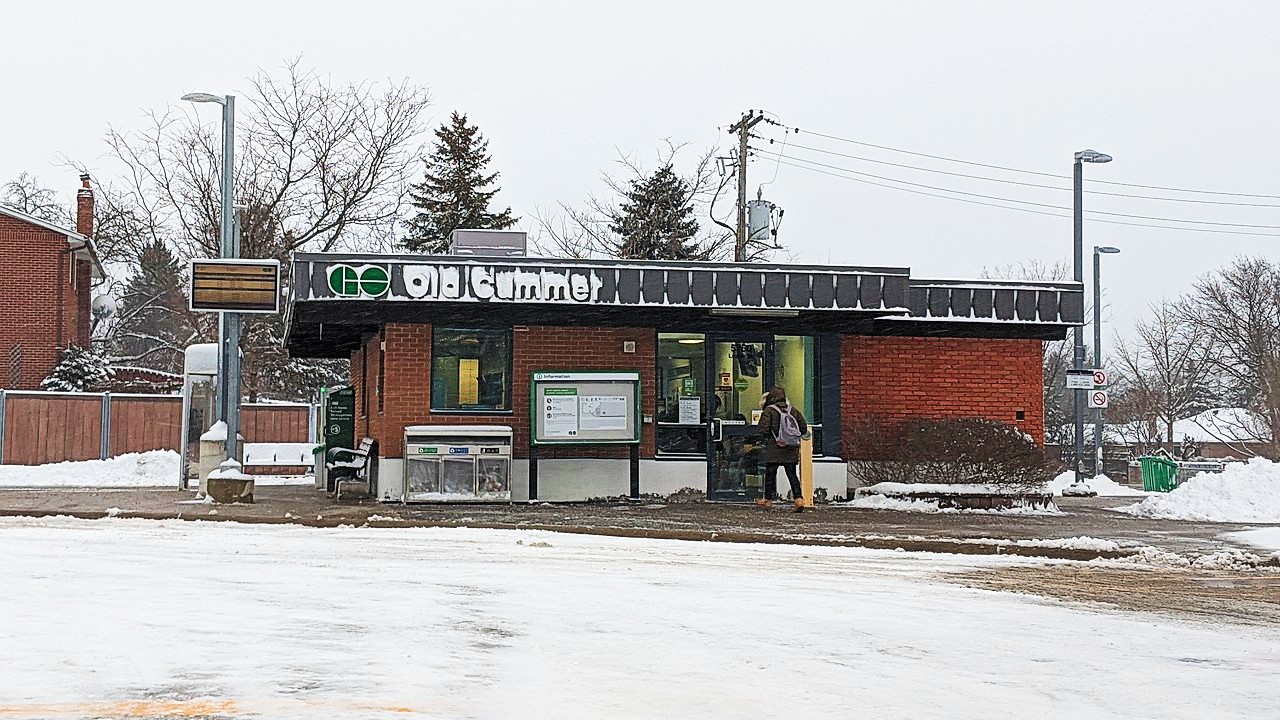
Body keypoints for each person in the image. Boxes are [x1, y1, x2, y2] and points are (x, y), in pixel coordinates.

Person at [756, 386, 809, 512]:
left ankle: (768, 500)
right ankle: (798, 499)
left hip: (775, 447)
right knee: (792, 475)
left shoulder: (769, 410)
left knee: (770, 474)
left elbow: (763, 429)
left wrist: (770, 437)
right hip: (791, 448)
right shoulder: (793, 410)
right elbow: (803, 428)